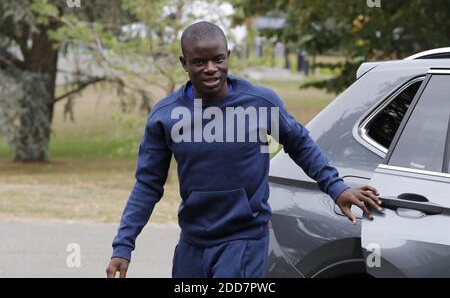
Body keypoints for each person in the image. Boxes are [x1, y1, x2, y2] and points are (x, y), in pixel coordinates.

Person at [106, 21, 382, 278]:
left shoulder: (260, 103)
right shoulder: (165, 115)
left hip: (244, 239)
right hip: (192, 242)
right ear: (184, 63)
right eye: (199, 62)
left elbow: (300, 144)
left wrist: (336, 188)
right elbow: (147, 184)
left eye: (218, 59)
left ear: (227, 55)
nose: (210, 68)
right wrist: (123, 245)